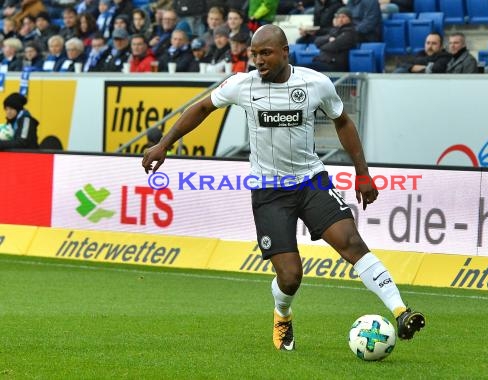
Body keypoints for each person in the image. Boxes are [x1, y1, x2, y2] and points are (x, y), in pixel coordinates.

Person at [141, 24, 426, 351]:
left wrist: (362, 172)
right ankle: (282, 313)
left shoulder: (315, 83)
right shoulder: (242, 85)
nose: (258, 60)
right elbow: (203, 107)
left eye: (265, 53)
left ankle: (401, 311)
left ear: (285, 52)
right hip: (269, 189)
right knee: (290, 276)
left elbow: (342, 120)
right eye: (254, 54)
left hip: (310, 180)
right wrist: (164, 144)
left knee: (350, 242)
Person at [310, 7, 358, 72]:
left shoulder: (350, 32)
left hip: (335, 65)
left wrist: (322, 46)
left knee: (302, 69)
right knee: (300, 68)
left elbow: (334, 46)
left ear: (349, 19)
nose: (340, 19)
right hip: (323, 62)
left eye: (343, 17)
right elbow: (317, 41)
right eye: (338, 17)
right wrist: (329, 39)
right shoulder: (334, 31)